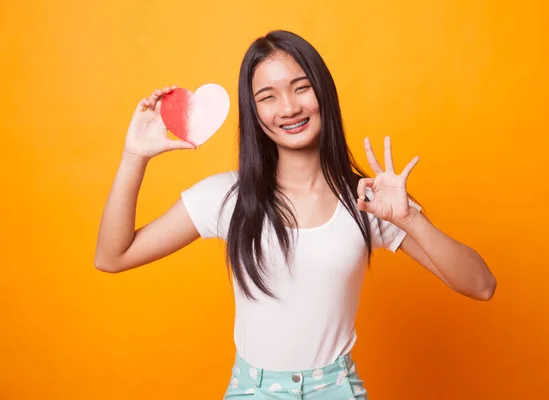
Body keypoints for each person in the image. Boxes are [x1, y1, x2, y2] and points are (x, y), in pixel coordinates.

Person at [95, 30, 496, 399]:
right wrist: (135, 155)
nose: (288, 107)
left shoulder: (368, 199)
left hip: (337, 389)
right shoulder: (227, 196)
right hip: (252, 391)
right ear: (254, 112)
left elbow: (481, 286)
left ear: (324, 93)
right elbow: (112, 257)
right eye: (267, 96)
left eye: (301, 88)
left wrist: (409, 219)